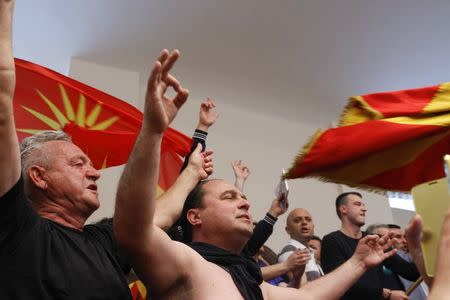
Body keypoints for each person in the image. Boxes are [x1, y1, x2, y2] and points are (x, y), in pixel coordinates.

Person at [114, 49, 401, 300]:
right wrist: (153, 131)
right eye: (230, 197)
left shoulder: (252, 283)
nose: (246, 203)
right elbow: (133, 227)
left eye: (243, 198)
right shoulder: (181, 261)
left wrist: (359, 262)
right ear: (195, 216)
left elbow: (309, 296)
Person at [0, 2, 212, 298]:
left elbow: (158, 213)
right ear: (38, 176)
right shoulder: (16, 228)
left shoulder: (104, 243)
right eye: (77, 164)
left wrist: (187, 168)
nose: (95, 173)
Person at [321, 192, 420, 300]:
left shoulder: (375, 239)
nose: (364, 209)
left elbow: (411, 272)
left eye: (363, 205)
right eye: (358, 204)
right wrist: (386, 294)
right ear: (343, 209)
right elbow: (337, 283)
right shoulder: (331, 241)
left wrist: (421, 248)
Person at [278, 208, 323, 287]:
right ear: (288, 230)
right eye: (297, 220)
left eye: (308, 220)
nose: (304, 222)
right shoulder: (290, 250)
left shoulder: (311, 252)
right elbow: (301, 288)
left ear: (313, 226)